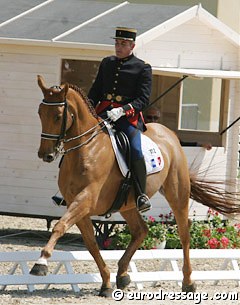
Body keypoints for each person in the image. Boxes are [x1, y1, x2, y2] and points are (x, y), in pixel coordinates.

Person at [87, 26, 152, 212]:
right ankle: (66, 188)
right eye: (116, 43)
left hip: (126, 118)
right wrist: (89, 108)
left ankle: (141, 194)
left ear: (132, 45)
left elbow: (143, 99)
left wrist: (123, 110)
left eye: (123, 44)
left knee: (135, 148)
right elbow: (96, 90)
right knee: (79, 137)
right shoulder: (107, 63)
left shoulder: (142, 67)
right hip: (103, 111)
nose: (118, 47)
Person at [144, 106, 212, 150]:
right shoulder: (140, 131)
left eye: (155, 118)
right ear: (144, 118)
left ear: (159, 119)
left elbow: (181, 144)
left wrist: (200, 145)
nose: (152, 120)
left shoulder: (166, 133)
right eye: (149, 117)